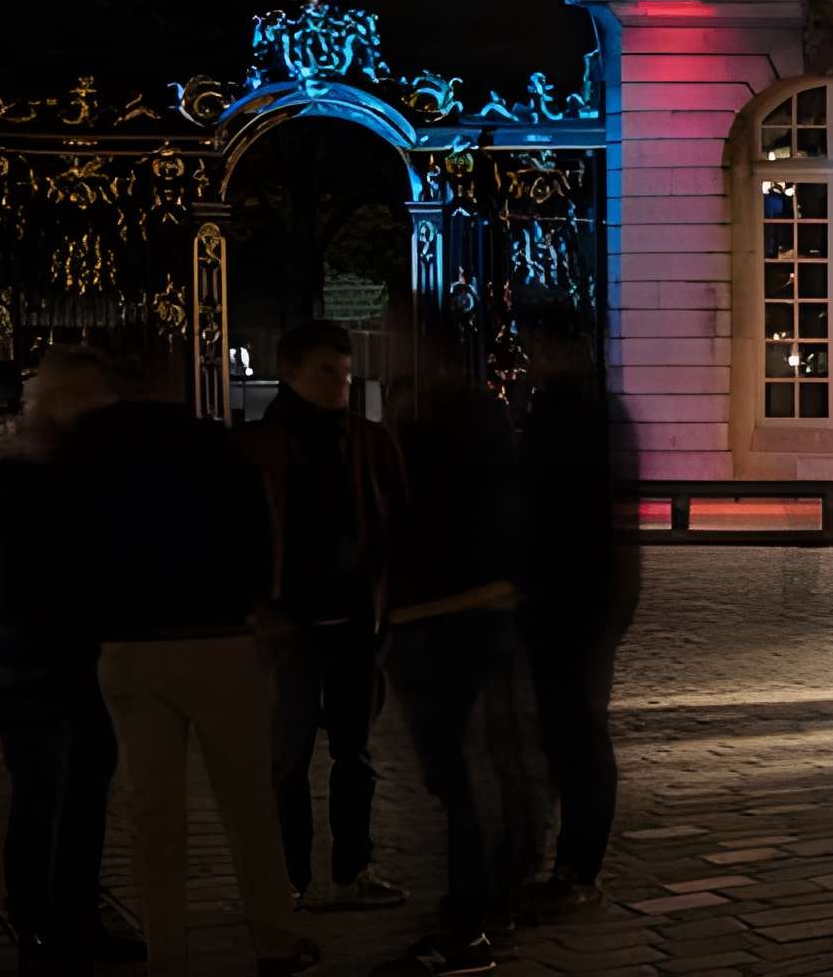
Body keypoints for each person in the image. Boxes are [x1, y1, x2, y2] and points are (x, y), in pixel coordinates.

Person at [60, 348, 316, 975]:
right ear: (173, 380)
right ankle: (275, 939)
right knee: (247, 801)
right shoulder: (214, 445)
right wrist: (261, 607)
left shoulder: (86, 448)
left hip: (128, 645)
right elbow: (256, 533)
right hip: (216, 639)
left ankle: (166, 951)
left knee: (153, 810)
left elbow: (65, 544)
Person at [0, 346, 136, 972]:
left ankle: (76, 916)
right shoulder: (24, 478)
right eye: (88, 396)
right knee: (44, 795)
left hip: (83, 658)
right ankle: (40, 924)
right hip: (38, 661)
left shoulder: (93, 474)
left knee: (85, 793)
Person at [384, 336, 541, 971]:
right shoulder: (476, 418)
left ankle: (468, 916)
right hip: (468, 608)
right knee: (471, 768)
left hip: (444, 613)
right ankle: (486, 898)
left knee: (454, 774)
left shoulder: (444, 423)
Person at [243, 318, 408, 914]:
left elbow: (398, 529)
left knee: (354, 755)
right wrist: (261, 609)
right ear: (289, 372)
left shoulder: (370, 442)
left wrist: (388, 608)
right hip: (288, 628)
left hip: (355, 627)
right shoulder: (261, 446)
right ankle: (289, 877)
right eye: (326, 371)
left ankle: (351, 870)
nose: (340, 382)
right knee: (286, 759)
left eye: (344, 372)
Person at [513, 313, 639, 923]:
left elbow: (570, 513)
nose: (530, 356)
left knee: (579, 736)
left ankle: (577, 867)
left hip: (573, 599)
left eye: (537, 344)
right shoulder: (579, 409)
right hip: (575, 597)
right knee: (571, 733)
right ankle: (567, 862)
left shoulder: (574, 413)